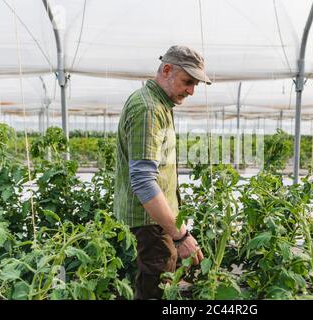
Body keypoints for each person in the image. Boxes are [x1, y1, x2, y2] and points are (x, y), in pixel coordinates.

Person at [114, 45, 211, 299]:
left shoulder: (159, 104)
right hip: (150, 222)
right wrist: (180, 237)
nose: (191, 90)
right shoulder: (148, 109)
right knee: (156, 290)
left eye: (195, 85)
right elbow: (144, 181)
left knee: (162, 283)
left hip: (156, 221)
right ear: (166, 70)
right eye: (187, 82)